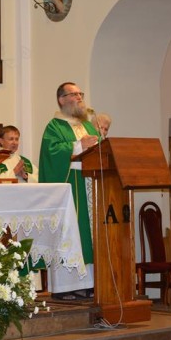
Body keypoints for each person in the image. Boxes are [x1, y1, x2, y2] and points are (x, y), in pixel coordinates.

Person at [39, 82, 99, 300]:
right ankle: (65, 286)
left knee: (89, 235)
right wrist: (77, 146)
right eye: (74, 94)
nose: (79, 98)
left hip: (89, 184)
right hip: (69, 184)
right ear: (61, 99)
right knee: (70, 233)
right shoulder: (54, 126)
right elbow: (51, 153)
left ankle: (89, 282)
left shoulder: (90, 126)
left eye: (80, 93)